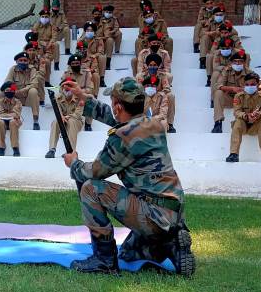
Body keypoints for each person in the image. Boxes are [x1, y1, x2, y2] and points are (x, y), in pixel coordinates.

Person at [62, 77, 195, 275]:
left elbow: (95, 171)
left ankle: (104, 260)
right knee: (128, 253)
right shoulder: (154, 123)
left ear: (118, 106)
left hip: (152, 214)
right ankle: (171, 245)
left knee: (91, 188)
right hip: (173, 213)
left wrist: (73, 163)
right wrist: (84, 98)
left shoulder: (122, 137)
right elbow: (120, 119)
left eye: (113, 102)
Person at [226, 72, 261, 164]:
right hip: (244, 125)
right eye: (247, 85)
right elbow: (236, 112)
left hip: (256, 126)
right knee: (238, 121)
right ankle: (233, 154)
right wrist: (246, 116)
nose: (250, 86)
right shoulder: (239, 96)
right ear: (244, 85)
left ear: (258, 85)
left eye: (253, 84)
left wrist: (258, 115)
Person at [45, 78, 84, 158]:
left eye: (69, 86)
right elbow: (57, 111)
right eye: (64, 87)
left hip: (76, 121)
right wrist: (61, 117)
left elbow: (78, 114)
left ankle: (70, 151)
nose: (67, 89)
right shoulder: (57, 97)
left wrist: (66, 117)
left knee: (71, 121)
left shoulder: (80, 97)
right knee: (55, 122)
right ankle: (52, 149)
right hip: (62, 121)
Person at [211, 52, 248, 132]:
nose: (237, 63)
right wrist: (232, 89)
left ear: (244, 63)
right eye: (235, 61)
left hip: (243, 101)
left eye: (240, 61)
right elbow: (218, 85)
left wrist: (246, 89)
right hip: (229, 99)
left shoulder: (249, 73)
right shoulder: (226, 71)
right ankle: (218, 123)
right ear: (231, 63)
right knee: (218, 93)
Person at [3, 51, 41, 130]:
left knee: (33, 90)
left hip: (28, 99)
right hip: (15, 98)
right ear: (17, 61)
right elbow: (7, 83)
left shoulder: (32, 69)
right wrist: (13, 90)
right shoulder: (13, 69)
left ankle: (35, 120)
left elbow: (34, 84)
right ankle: (5, 117)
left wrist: (21, 91)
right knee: (0, 92)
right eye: (21, 60)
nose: (23, 62)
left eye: (25, 60)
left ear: (28, 61)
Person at [0, 81, 23, 156]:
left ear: (14, 91)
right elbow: (0, 113)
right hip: (3, 122)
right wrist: (8, 115)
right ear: (4, 92)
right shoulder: (0, 101)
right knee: (0, 122)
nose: (9, 92)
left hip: (15, 122)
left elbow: (16, 114)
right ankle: (1, 147)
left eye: (11, 90)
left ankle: (15, 148)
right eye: (7, 91)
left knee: (12, 122)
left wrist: (4, 115)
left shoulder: (18, 102)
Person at [78, 21, 106, 87]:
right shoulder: (81, 40)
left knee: (102, 57)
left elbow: (100, 51)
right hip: (85, 59)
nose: (89, 32)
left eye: (91, 30)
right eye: (88, 30)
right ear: (85, 31)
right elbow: (79, 53)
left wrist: (94, 55)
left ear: (94, 32)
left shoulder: (98, 40)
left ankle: (102, 79)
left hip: (95, 58)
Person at [32, 6, 59, 74]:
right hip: (40, 43)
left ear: (49, 18)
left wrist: (49, 43)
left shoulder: (52, 26)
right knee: (35, 45)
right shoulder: (37, 25)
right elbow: (34, 36)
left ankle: (56, 64)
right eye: (43, 17)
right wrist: (41, 42)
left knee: (56, 44)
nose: (44, 18)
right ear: (40, 17)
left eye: (46, 17)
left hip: (48, 44)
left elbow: (54, 37)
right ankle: (38, 61)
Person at [98, 4, 122, 68]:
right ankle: (108, 62)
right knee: (110, 40)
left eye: (110, 12)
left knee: (119, 33)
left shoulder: (114, 18)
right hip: (103, 35)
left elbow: (117, 27)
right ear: (104, 12)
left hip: (111, 33)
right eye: (107, 12)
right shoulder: (100, 19)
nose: (108, 13)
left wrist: (112, 32)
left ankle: (117, 50)